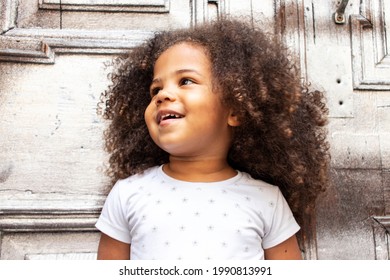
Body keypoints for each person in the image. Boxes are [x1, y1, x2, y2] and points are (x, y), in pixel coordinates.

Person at [95, 18, 330, 260]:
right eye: (155, 89)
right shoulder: (128, 194)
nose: (163, 95)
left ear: (235, 110)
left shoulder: (267, 200)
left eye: (186, 81)